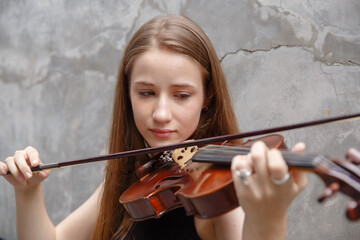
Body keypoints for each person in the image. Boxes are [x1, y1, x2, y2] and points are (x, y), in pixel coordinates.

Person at [0, 15, 307, 240]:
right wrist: (28, 192)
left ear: (207, 96)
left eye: (181, 95)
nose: (161, 114)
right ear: (128, 95)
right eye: (146, 93)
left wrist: (268, 220)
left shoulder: (219, 197)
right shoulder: (138, 178)